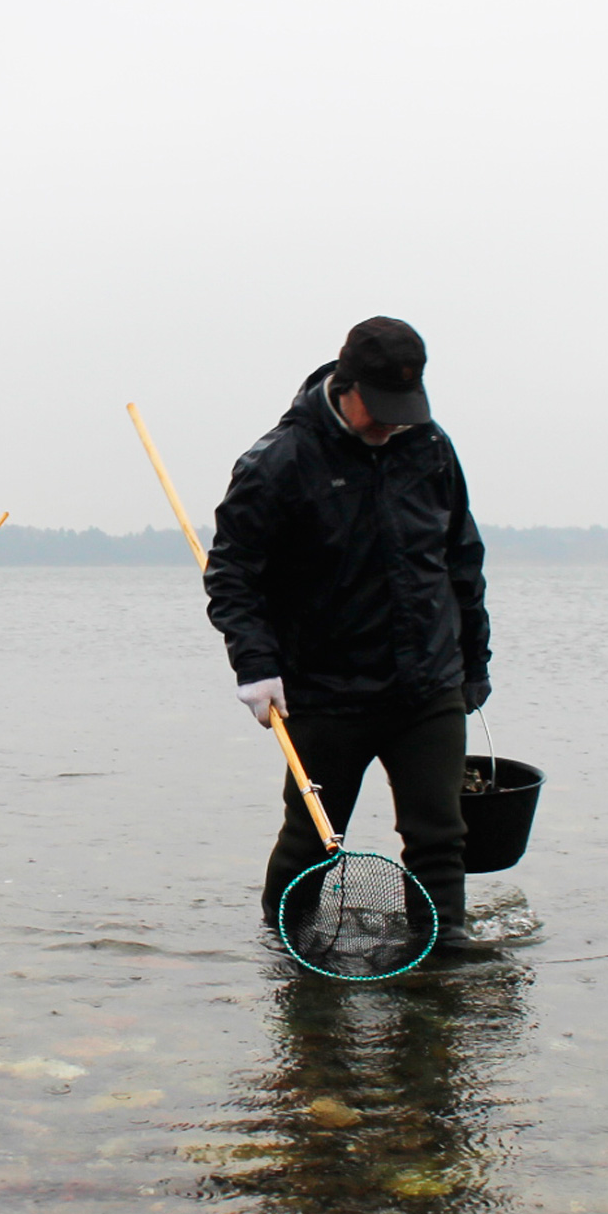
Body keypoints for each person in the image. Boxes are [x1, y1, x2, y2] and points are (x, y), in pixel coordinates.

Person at [203, 317, 491, 941]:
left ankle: (443, 965)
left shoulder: (430, 447)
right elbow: (232, 576)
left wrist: (475, 663)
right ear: (345, 385)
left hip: (429, 682)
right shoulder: (278, 461)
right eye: (380, 409)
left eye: (405, 408)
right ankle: (288, 958)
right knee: (311, 836)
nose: (391, 422)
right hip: (325, 689)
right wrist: (254, 664)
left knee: (440, 834)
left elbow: (462, 558)